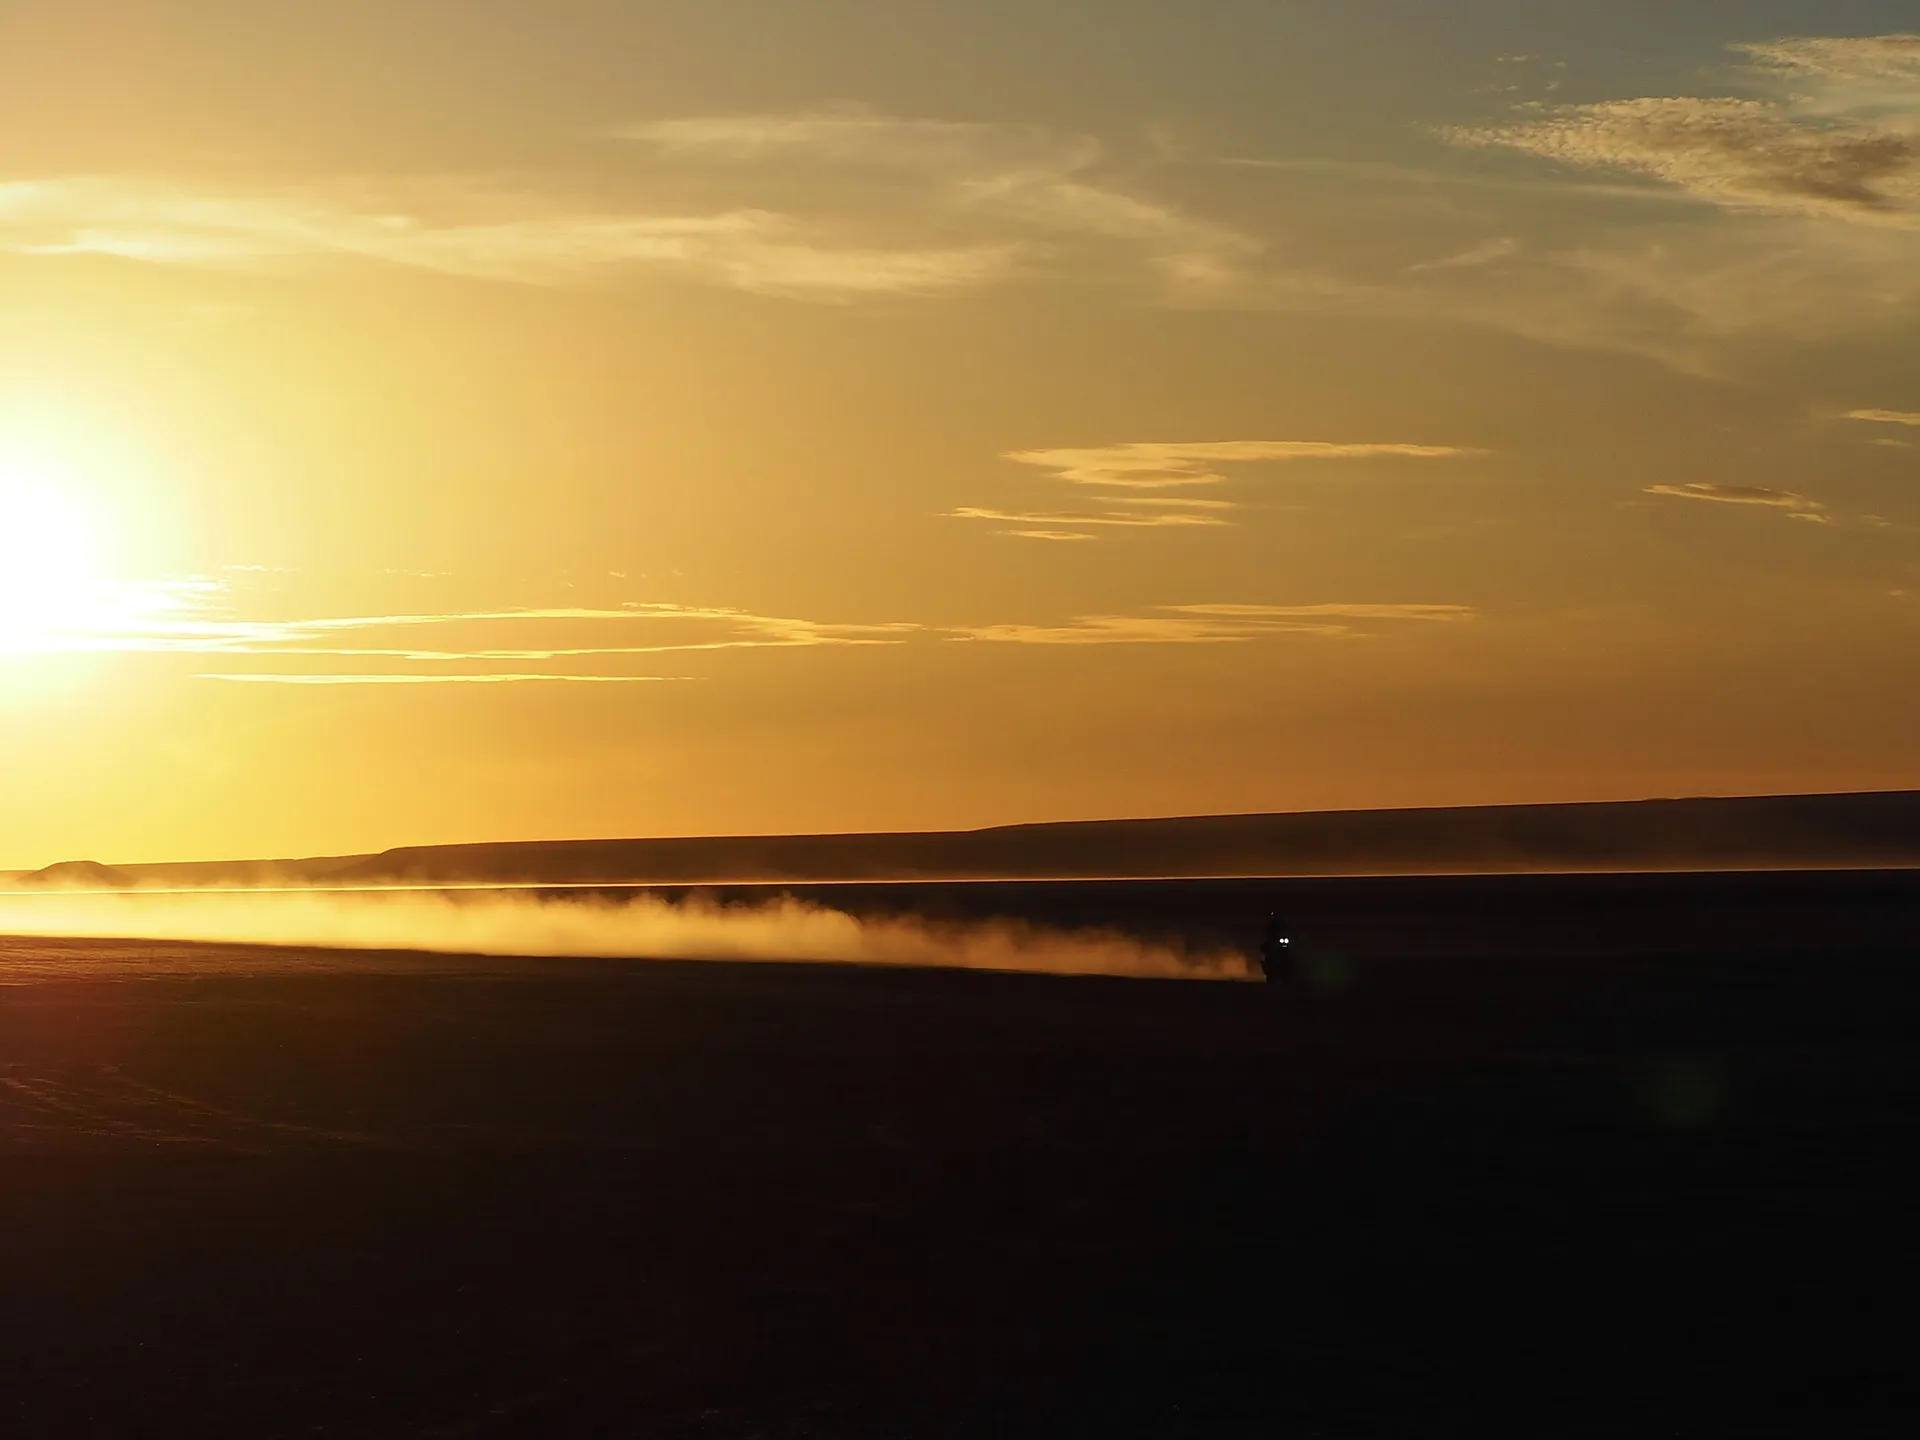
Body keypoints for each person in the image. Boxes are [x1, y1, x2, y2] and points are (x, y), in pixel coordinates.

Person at [1257, 911, 1293, 981]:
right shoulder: (1271, 925)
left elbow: (1290, 931)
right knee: (1267, 950)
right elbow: (1266, 932)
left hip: (1281, 940)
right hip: (1273, 941)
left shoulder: (1284, 924)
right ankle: (1268, 966)